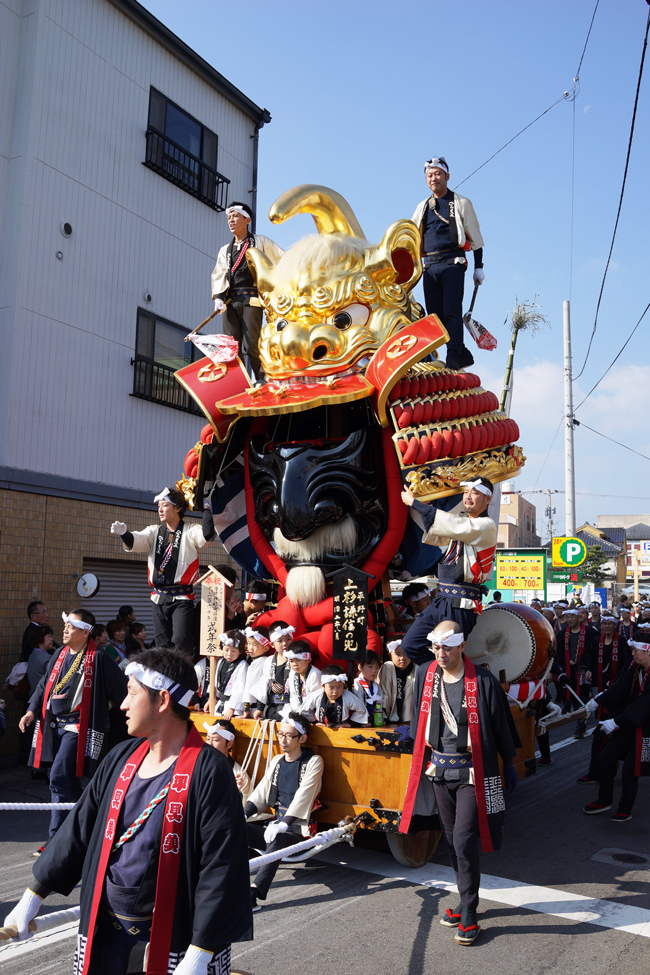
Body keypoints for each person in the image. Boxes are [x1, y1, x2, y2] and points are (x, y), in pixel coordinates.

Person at [5, 648, 252, 974]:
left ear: (162, 700)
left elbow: (220, 865)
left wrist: (201, 951)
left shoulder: (210, 770)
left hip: (173, 935)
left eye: (131, 693)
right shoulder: (121, 757)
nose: (122, 703)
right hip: (105, 927)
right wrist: (32, 898)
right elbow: (78, 829)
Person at [400, 621, 520, 945]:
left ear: (462, 646)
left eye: (447, 647)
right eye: (436, 647)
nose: (441, 654)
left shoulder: (482, 680)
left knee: (466, 839)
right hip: (439, 770)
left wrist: (508, 764)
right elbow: (417, 718)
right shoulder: (425, 673)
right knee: (452, 840)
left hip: (472, 772)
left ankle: (470, 907)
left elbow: (499, 723)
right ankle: (464, 895)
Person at [19, 610, 128, 853]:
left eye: (70, 626)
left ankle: (56, 838)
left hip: (79, 728)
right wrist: (31, 710)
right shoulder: (59, 653)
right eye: (65, 625)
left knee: (57, 777)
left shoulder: (98, 658)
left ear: (84, 631)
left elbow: (122, 692)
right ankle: (88, 828)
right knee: (70, 782)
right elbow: (43, 684)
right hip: (54, 724)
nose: (65, 629)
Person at [400, 478, 497, 664]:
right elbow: (439, 532)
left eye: (475, 493)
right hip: (442, 600)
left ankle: (458, 678)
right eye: (466, 492)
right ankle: (442, 676)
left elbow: (452, 526)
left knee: (450, 655)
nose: (468, 497)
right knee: (410, 645)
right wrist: (426, 504)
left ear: (487, 499)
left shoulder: (486, 525)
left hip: (461, 603)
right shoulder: (463, 526)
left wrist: (415, 503)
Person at [110, 486, 216, 655]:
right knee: (161, 644)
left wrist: (207, 508)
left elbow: (207, 535)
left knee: (180, 640)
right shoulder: (154, 531)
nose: (160, 508)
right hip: (158, 597)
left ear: (178, 508)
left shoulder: (190, 530)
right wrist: (125, 534)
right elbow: (138, 540)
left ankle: (183, 674)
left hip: (182, 596)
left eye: (165, 504)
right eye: (158, 505)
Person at [244, 711, 324, 911]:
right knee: (236, 829)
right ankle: (225, 880)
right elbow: (262, 792)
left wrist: (284, 824)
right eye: (281, 735)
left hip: (299, 835)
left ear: (302, 738)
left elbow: (304, 796)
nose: (283, 740)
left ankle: (253, 893)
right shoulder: (277, 760)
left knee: (279, 840)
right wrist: (243, 814)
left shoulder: (313, 762)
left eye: (289, 736)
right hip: (275, 829)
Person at [411, 156, 484, 370]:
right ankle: (458, 352)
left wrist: (479, 266)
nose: (434, 178)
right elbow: (410, 236)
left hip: (453, 263)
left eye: (437, 174)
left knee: (452, 311)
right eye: (430, 175)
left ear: (447, 176)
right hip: (430, 266)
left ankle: (453, 358)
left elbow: (476, 237)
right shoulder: (422, 206)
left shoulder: (460, 202)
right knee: (435, 316)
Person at [210, 203, 284, 379]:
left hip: (252, 299)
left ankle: (262, 377)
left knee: (252, 343)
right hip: (229, 302)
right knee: (231, 346)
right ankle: (240, 382)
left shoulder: (261, 242)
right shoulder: (225, 250)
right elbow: (219, 273)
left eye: (235, 216)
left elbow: (282, 259)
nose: (231, 220)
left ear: (247, 220)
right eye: (229, 217)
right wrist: (218, 298)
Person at [582, 640, 650, 822]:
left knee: (630, 770)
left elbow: (645, 703)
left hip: (646, 728)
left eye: (636, 651)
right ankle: (604, 800)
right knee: (605, 758)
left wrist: (616, 721)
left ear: (648, 651)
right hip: (630, 722)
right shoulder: (636, 669)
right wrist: (599, 700)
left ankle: (625, 809)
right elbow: (620, 688)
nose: (633, 654)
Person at [555, 607, 598, 738]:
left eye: (572, 617)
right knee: (572, 696)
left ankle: (581, 724)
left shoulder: (590, 632)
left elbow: (594, 651)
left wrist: (589, 668)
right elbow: (559, 652)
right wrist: (559, 667)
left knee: (583, 696)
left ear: (579, 617)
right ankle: (579, 719)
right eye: (567, 617)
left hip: (583, 670)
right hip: (568, 669)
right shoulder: (563, 634)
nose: (569, 619)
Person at [300, 665, 368, 728]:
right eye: (331, 687)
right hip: (321, 728)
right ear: (323, 686)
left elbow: (361, 710)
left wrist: (350, 724)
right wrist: (315, 722)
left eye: (339, 687)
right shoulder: (316, 696)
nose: (335, 691)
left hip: (342, 728)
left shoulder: (348, 696)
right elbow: (305, 710)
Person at [203, 717, 251, 796]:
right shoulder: (197, 765)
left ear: (229, 744)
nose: (209, 744)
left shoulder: (239, 775)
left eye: (215, 740)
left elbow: (245, 806)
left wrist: (236, 792)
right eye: (208, 739)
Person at [260, 621, 295, 720]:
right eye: (280, 641)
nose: (285, 643)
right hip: (271, 706)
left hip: (290, 705)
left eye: (288, 639)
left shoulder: (296, 660)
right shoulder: (268, 661)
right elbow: (263, 683)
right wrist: (271, 685)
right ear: (272, 644)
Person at [211, 631, 248, 719]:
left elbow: (240, 688)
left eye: (234, 651)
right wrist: (211, 699)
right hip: (220, 704)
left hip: (233, 708)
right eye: (226, 650)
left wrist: (232, 708)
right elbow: (215, 683)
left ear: (240, 651)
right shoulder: (220, 662)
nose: (229, 654)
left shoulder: (242, 664)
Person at [380, 639, 416, 724]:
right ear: (390, 655)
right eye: (398, 654)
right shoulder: (388, 667)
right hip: (389, 718)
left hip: (410, 719)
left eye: (406, 654)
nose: (402, 658)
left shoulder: (416, 668)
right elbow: (385, 693)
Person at [242, 626, 271, 718]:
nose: (250, 648)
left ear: (266, 648)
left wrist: (246, 708)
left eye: (255, 645)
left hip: (255, 707)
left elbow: (249, 686)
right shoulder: (258, 661)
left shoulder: (259, 662)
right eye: (249, 643)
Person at [284, 640, 322, 711]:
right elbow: (291, 696)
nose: (294, 664)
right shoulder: (292, 673)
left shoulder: (315, 674)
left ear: (308, 659)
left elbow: (316, 700)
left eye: (298, 660)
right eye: (291, 661)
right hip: (295, 713)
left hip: (311, 715)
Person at [353, 650, 383, 721]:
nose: (374, 671)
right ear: (360, 666)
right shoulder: (357, 683)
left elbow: (380, 704)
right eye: (370, 667)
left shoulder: (377, 687)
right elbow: (358, 706)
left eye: (377, 667)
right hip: (360, 721)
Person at [26, 625, 55, 696]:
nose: (52, 639)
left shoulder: (33, 654)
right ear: (40, 639)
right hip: (43, 696)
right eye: (49, 636)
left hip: (34, 695)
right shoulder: (45, 658)